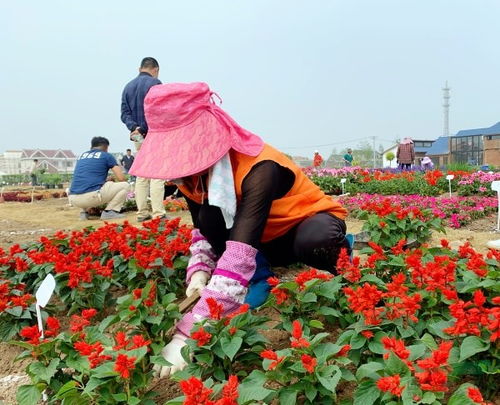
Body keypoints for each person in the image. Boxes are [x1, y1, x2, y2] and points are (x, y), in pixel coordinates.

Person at [129, 82, 350, 377]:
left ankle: (341, 253)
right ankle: (258, 276)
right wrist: (199, 273)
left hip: (300, 226)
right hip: (262, 239)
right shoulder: (192, 177)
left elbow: (241, 247)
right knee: (210, 215)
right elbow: (203, 230)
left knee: (317, 240)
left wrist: (188, 333)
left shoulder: (260, 167)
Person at [121, 57, 167, 221]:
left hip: (137, 136)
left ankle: (142, 212)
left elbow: (124, 114)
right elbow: (158, 111)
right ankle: (158, 213)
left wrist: (134, 127)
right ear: (155, 69)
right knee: (157, 174)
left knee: (142, 174)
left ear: (139, 68)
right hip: (154, 134)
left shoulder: (128, 87)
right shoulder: (155, 84)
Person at [69, 137, 129, 220]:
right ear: (106, 147)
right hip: (91, 197)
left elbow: (86, 176)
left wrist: (105, 181)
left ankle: (84, 213)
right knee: (125, 185)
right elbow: (121, 178)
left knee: (85, 185)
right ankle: (110, 212)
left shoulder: (81, 156)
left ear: (92, 146)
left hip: (73, 198)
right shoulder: (106, 155)